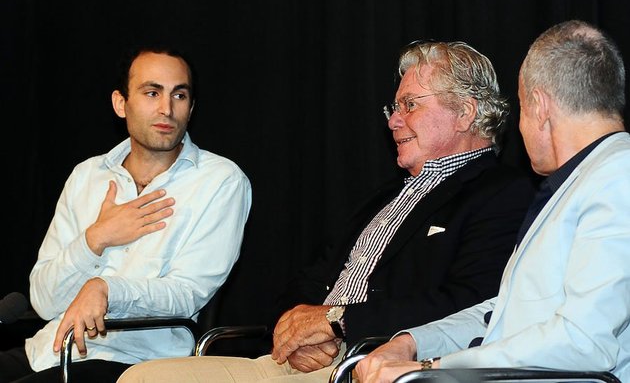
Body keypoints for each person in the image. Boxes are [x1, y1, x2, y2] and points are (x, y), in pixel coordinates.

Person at [116, 40, 535, 382]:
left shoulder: (503, 194)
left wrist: (339, 323)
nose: (393, 122)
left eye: (410, 105)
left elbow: (472, 304)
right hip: (298, 363)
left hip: (375, 366)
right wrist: (293, 329)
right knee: (141, 378)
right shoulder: (384, 197)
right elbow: (309, 280)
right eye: (394, 109)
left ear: (465, 113)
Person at [356, 19, 630, 383]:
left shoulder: (617, 177)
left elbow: (584, 341)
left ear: (539, 105)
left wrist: (430, 370)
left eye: (520, 106)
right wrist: (411, 342)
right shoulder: (580, 181)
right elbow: (502, 313)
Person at [0, 46, 252, 383]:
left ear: (190, 108)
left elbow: (187, 293)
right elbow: (44, 301)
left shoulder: (220, 180)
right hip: (47, 352)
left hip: (137, 363)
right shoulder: (87, 175)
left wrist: (107, 288)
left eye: (179, 95)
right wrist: (97, 238)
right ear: (121, 104)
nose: (166, 109)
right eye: (152, 92)